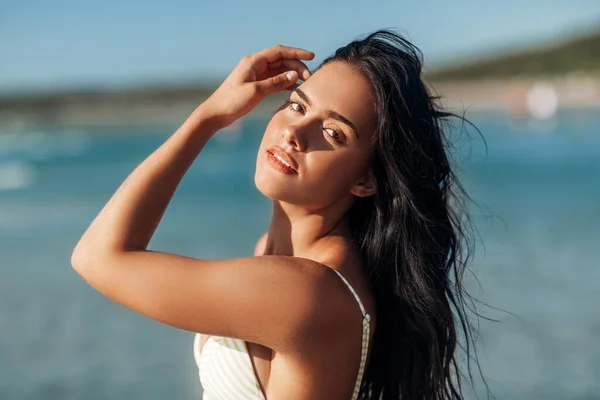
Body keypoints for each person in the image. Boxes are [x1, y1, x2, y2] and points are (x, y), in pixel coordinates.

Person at [72, 29, 482, 399]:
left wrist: (208, 117)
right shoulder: (288, 262)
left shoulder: (305, 291)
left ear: (366, 180)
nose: (293, 133)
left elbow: (97, 258)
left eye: (333, 133)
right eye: (297, 106)